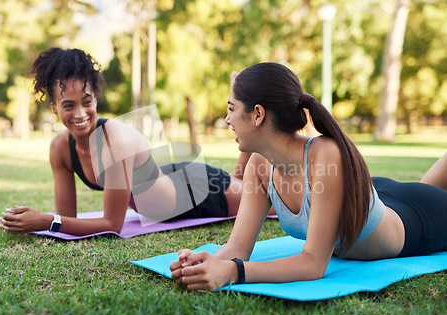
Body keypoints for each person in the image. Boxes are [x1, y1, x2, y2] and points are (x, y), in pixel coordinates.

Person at [170, 62, 447, 291]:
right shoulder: (259, 166)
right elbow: (238, 247)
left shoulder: (325, 155)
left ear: (257, 114)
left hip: (421, 218)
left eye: (231, 109)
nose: (227, 120)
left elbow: (313, 263)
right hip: (380, 196)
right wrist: (203, 263)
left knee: (429, 191)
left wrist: (232, 272)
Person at [0, 48, 266, 236]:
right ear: (54, 107)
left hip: (199, 194)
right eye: (68, 105)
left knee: (269, 197)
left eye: (87, 102)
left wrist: (46, 221)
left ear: (96, 99)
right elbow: (67, 215)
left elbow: (112, 224)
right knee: (242, 179)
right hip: (170, 179)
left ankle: (252, 112)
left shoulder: (115, 141)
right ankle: (242, 105)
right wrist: (37, 220)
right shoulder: (60, 148)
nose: (80, 114)